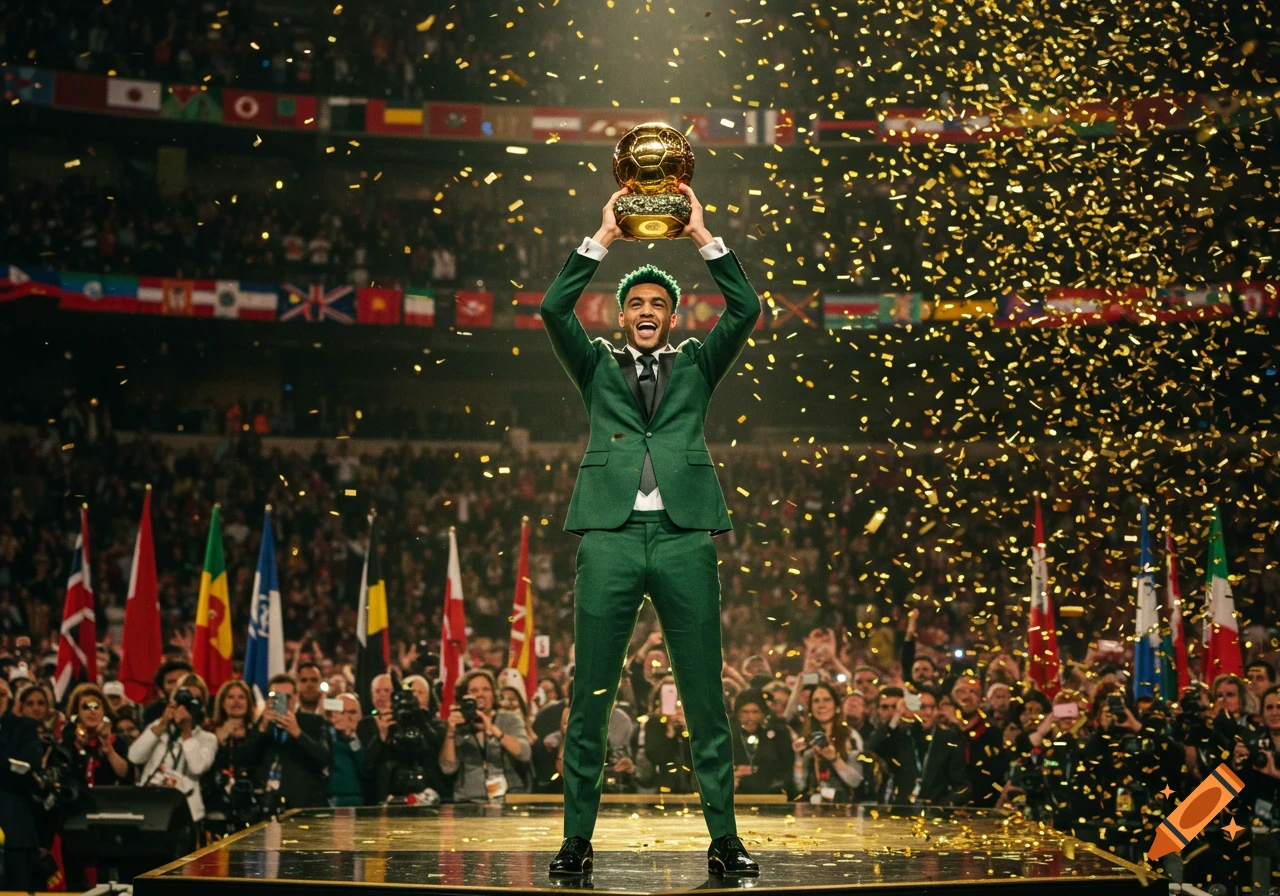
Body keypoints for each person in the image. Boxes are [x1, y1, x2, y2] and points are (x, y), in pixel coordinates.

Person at [541, 183, 762, 878]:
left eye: (657, 305)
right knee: (592, 695)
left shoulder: (697, 363)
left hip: (684, 535)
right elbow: (552, 308)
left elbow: (747, 308)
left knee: (703, 693)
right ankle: (576, 838)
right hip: (607, 537)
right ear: (619, 314)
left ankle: (723, 837)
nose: (645, 312)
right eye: (634, 303)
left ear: (671, 317)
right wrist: (602, 236)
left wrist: (702, 234)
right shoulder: (595, 363)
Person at [128, 684, 218, 823]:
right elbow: (134, 757)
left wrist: (186, 731)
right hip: (150, 804)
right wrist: (163, 723)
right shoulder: (159, 726)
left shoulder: (207, 739)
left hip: (186, 810)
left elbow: (197, 767)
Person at [440, 669, 531, 802]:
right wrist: (450, 732)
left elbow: (524, 753)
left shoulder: (510, 719)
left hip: (508, 799)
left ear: (494, 694)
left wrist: (493, 729)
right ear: (464, 697)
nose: (480, 694)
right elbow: (447, 768)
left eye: (486, 689)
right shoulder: (458, 725)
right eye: (474, 691)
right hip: (468, 801)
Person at [248, 673, 331, 814]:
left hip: (302, 806)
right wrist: (262, 728)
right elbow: (246, 759)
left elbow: (324, 758)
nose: (281, 702)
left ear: (296, 697)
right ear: (269, 698)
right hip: (265, 807)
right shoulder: (261, 724)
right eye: (276, 696)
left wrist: (297, 733)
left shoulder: (314, 722)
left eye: (287, 697)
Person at [792, 682, 864, 803]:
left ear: (836, 706)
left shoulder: (850, 736)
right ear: (810, 708)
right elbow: (799, 785)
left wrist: (834, 759)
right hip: (812, 808)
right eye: (816, 701)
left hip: (845, 809)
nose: (821, 705)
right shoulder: (805, 739)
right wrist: (798, 757)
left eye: (826, 700)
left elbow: (856, 781)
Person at [206, 680, 262, 833]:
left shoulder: (258, 733)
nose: (236, 701)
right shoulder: (209, 732)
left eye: (241, 697)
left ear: (249, 702)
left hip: (252, 806)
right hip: (217, 805)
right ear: (222, 702)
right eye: (230, 697)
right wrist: (218, 739)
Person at [729, 690, 791, 796]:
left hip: (770, 793)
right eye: (745, 712)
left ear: (763, 713)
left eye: (755, 712)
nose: (750, 717)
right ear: (738, 713)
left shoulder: (777, 735)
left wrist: (753, 771)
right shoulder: (728, 735)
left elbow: (783, 768)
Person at [327, 693, 365, 806]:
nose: (347, 717)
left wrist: (352, 737)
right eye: (341, 712)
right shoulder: (325, 738)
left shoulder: (368, 737)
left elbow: (366, 768)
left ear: (360, 715)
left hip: (359, 799)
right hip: (330, 798)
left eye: (352, 712)